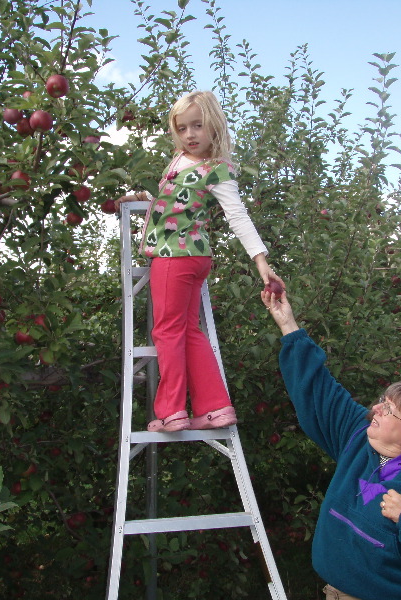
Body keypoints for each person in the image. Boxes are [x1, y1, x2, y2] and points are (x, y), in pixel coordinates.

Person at [260, 288, 401, 600]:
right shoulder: (358, 436)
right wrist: (289, 325)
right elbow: (319, 389)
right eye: (381, 402)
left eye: (389, 409)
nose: (376, 409)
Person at [114, 90, 283, 433]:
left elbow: (238, 216)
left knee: (167, 331)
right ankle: (214, 407)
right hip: (196, 257)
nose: (190, 134)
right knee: (189, 331)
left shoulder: (215, 169)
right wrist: (144, 197)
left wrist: (261, 261)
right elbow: (174, 203)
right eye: (182, 128)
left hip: (173, 257)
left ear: (214, 127)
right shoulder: (182, 161)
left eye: (198, 126)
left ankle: (171, 410)